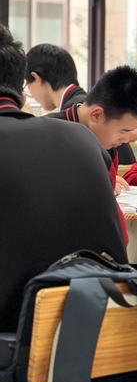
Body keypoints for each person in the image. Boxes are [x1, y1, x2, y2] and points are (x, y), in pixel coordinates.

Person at [0, 25, 128, 332]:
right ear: (21, 91)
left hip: (17, 339)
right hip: (102, 331)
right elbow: (121, 237)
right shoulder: (84, 139)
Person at [48, 66, 137, 197]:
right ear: (97, 115)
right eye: (123, 131)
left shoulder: (107, 145)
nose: (126, 140)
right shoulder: (48, 135)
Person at [24, 43, 86, 111]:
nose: (33, 96)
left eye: (29, 88)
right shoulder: (84, 102)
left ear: (36, 78)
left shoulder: (72, 112)